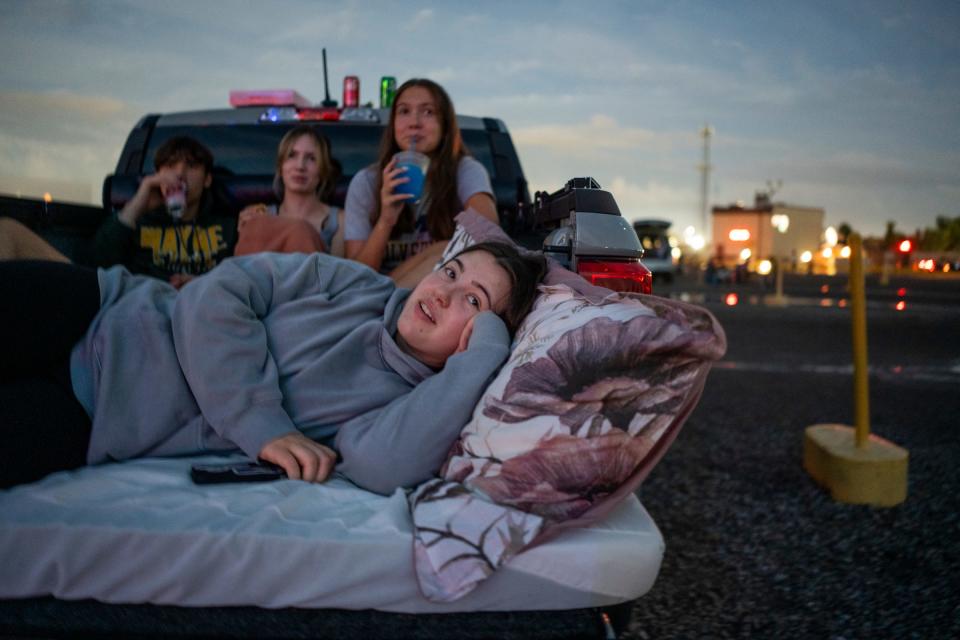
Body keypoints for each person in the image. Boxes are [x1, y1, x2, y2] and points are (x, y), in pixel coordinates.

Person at [0, 242, 546, 495]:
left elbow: (383, 464)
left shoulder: (395, 405)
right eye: (449, 271)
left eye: (472, 302)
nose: (444, 291)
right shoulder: (355, 284)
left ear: (477, 340)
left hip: (88, 413)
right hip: (100, 305)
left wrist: (483, 358)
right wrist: (262, 422)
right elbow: (219, 290)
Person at [344, 78, 498, 287]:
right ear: (393, 125)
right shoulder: (367, 182)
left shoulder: (465, 171)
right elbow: (355, 277)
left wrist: (439, 252)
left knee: (447, 250)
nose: (414, 122)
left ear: (445, 126)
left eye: (428, 112)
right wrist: (386, 220)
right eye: (404, 111)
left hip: (438, 297)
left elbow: (488, 236)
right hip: (372, 296)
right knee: (447, 249)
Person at [92, 136, 237, 287]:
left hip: (202, 303)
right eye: (170, 165)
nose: (180, 174)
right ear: (158, 176)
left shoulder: (228, 227)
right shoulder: (135, 223)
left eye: (191, 166)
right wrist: (138, 203)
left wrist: (200, 283)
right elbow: (98, 266)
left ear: (207, 179)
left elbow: (242, 278)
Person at [234, 125, 345, 257]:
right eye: (291, 155)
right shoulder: (259, 216)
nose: (300, 166)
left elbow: (339, 275)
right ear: (280, 166)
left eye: (311, 158)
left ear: (323, 170)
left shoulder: (340, 221)